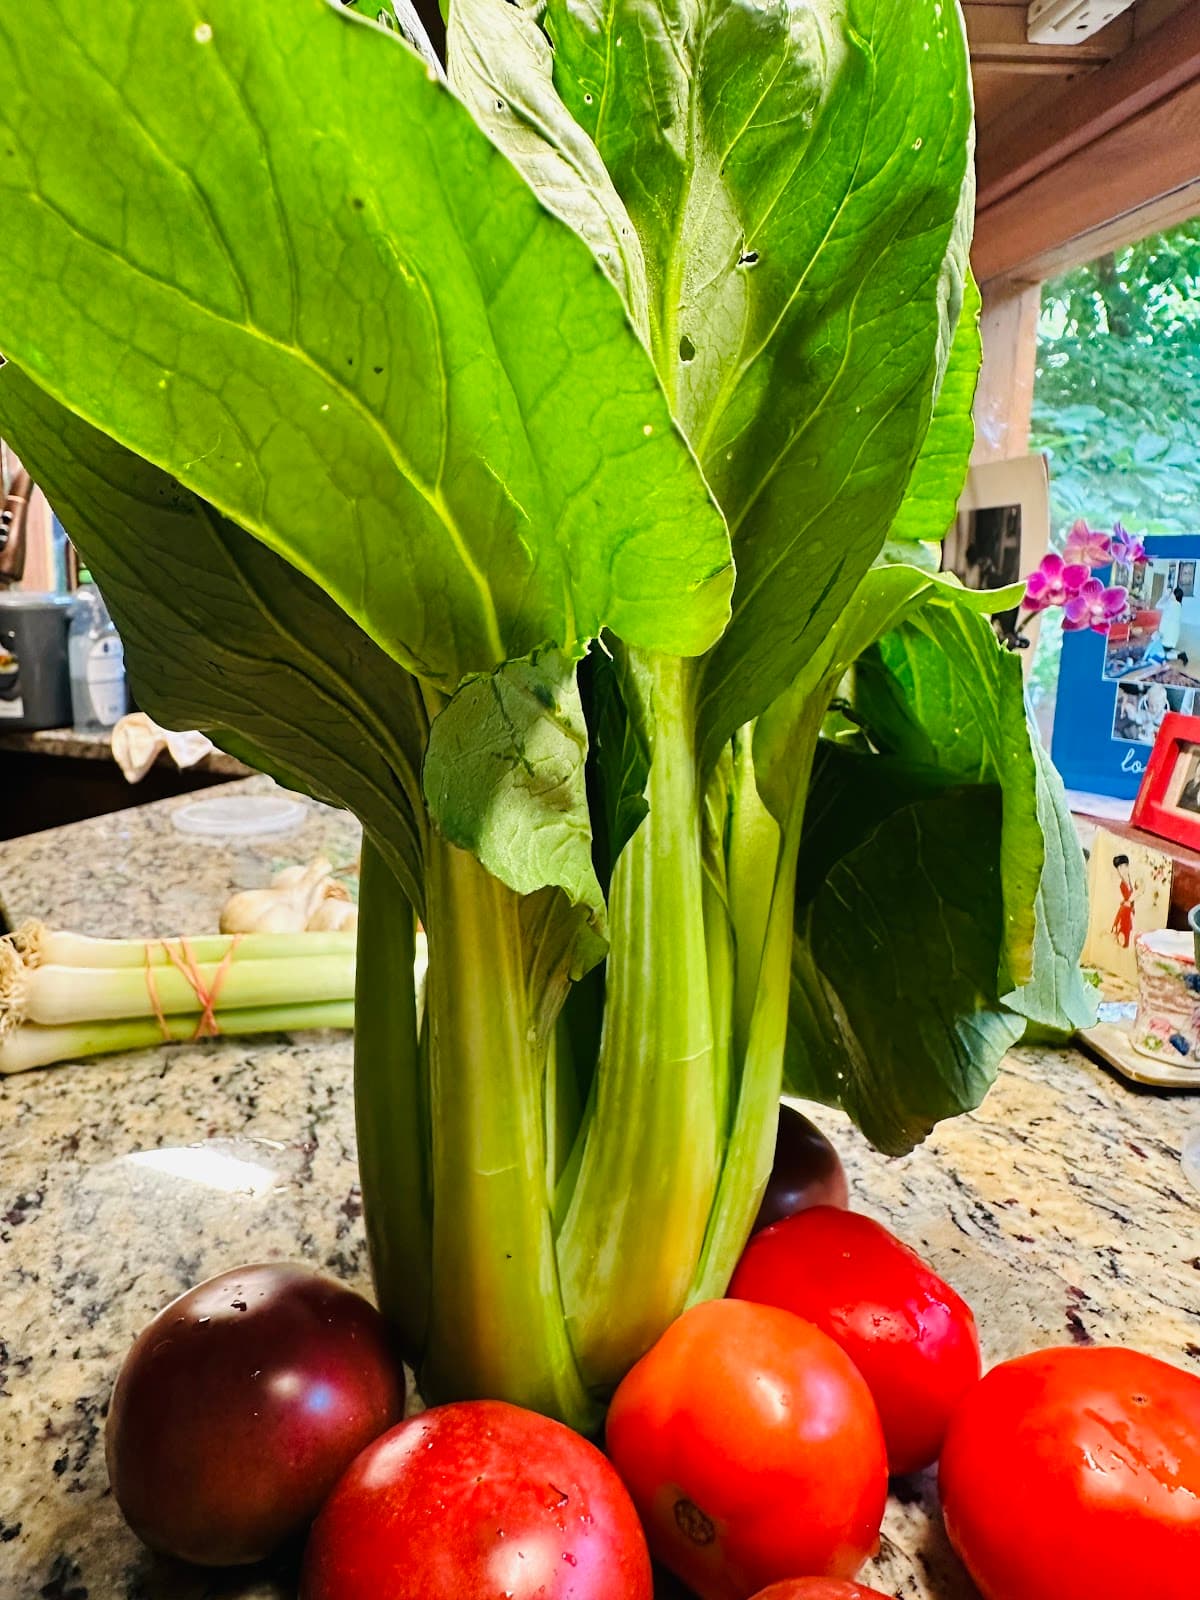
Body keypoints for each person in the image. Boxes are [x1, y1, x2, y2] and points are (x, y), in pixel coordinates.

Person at [1111, 856, 1135, 949]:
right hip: (1124, 911)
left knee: (1127, 937)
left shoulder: (1130, 882)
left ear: (1127, 866)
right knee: (1122, 938)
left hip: (1129, 911)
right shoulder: (1121, 884)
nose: (1120, 870)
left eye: (1122, 867)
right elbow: (1122, 901)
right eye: (1118, 868)